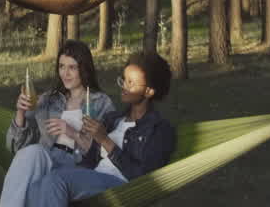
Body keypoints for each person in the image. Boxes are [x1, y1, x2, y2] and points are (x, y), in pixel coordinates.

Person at [10, 52, 176, 207]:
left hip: (120, 185)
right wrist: (85, 139)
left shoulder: (159, 129)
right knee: (36, 187)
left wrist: (104, 140)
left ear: (149, 91)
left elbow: (145, 179)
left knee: (55, 181)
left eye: (131, 83)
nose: (124, 86)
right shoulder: (114, 119)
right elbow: (90, 160)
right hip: (93, 177)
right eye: (124, 80)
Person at [0, 40, 116, 207]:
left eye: (72, 67)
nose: (65, 73)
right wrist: (20, 112)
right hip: (47, 160)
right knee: (33, 151)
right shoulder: (48, 100)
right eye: (61, 66)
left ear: (84, 69)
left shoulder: (101, 103)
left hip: (77, 167)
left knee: (37, 180)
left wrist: (71, 132)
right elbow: (15, 147)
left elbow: (103, 151)